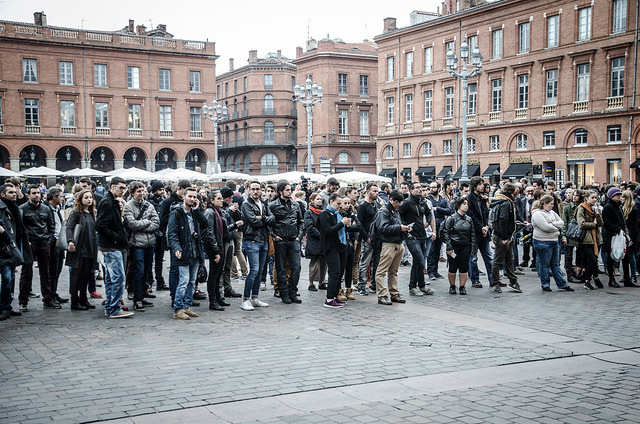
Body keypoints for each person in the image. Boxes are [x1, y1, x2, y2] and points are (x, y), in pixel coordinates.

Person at [96, 177, 134, 319]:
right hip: (111, 246)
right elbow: (100, 225)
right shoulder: (107, 202)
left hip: (112, 245)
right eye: (121, 188)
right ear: (112, 187)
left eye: (125, 188)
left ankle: (110, 307)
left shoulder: (113, 201)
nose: (123, 191)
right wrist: (116, 237)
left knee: (112, 279)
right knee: (118, 278)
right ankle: (114, 308)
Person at [167, 187, 205, 320]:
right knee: (183, 280)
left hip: (195, 251)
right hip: (183, 251)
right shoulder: (176, 212)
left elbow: (205, 224)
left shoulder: (195, 212)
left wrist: (198, 211)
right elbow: (172, 233)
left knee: (192, 281)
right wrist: (176, 247)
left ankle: (187, 306)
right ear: (183, 197)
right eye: (190, 196)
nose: (192, 199)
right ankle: (178, 309)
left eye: (195, 197)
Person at [18, 184, 57, 311]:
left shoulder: (46, 209)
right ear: (28, 195)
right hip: (31, 243)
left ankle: (48, 299)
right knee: (26, 272)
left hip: (44, 242)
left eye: (38, 193)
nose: (36, 195)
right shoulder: (22, 209)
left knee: (46, 272)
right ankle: (23, 301)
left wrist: (49, 240)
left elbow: (51, 226)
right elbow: (20, 228)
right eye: (34, 193)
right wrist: (26, 241)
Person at [124, 181, 159, 312]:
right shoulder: (128, 206)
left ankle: (142, 294)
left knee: (146, 271)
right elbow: (132, 224)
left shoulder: (149, 205)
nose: (141, 193)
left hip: (150, 243)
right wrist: (147, 222)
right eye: (138, 191)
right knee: (138, 270)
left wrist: (143, 225)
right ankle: (137, 299)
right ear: (132, 193)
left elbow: (156, 222)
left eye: (143, 190)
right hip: (137, 244)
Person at [240, 181, 274, 311]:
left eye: (258, 189)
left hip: (264, 240)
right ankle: (245, 299)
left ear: (261, 190)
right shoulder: (246, 204)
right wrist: (264, 220)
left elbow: (272, 219)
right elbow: (253, 222)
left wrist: (262, 218)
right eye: (253, 189)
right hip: (252, 240)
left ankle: (254, 298)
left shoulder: (264, 204)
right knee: (254, 270)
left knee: (260, 271)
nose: (255, 191)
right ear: (248, 190)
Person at [269, 180, 304, 304]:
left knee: (297, 267)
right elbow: (269, 223)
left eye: (291, 189)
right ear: (280, 191)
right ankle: (284, 293)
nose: (290, 192)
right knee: (281, 269)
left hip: (294, 239)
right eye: (288, 190)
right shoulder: (273, 205)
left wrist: (299, 236)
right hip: (281, 240)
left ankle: (292, 291)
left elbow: (301, 222)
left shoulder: (295, 205)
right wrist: (274, 235)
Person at [374, 190, 412, 305]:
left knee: (394, 271)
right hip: (388, 244)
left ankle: (394, 293)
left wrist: (405, 230)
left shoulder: (395, 211)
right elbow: (383, 228)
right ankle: (382, 295)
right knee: (381, 271)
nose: (399, 204)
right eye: (397, 202)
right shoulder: (384, 211)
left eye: (400, 202)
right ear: (391, 199)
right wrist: (400, 228)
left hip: (397, 243)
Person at [0, 184, 31, 320]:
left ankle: (7, 306)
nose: (14, 194)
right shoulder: (2, 208)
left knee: (11, 278)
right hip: (4, 248)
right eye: (10, 192)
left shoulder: (15, 207)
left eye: (14, 191)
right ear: (2, 194)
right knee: (6, 278)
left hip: (12, 248)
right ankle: (4, 307)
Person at [398, 182, 435, 296]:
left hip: (422, 235)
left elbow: (429, 213)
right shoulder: (407, 203)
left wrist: (428, 223)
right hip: (412, 236)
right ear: (411, 190)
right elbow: (398, 215)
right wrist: (405, 227)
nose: (420, 190)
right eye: (417, 188)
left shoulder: (423, 202)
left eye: (421, 187)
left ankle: (419, 286)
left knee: (418, 262)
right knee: (420, 260)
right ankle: (414, 286)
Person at [531, 195, 575, 292]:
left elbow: (561, 223)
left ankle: (562, 284)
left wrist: (552, 224)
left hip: (554, 241)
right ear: (545, 204)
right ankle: (545, 284)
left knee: (555, 264)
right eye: (551, 204)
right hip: (542, 241)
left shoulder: (551, 212)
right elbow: (546, 227)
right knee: (545, 264)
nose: (552, 205)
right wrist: (555, 226)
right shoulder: (537, 214)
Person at [66, 189, 98, 310]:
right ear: (80, 199)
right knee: (77, 274)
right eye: (86, 197)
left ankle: (84, 299)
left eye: (90, 197)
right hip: (79, 247)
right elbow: (69, 228)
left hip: (90, 247)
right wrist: (70, 242)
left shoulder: (91, 212)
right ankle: (75, 301)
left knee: (86, 274)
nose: (89, 200)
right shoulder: (76, 212)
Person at [319, 193, 351, 308]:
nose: (340, 206)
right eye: (338, 203)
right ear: (331, 201)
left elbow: (344, 229)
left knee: (340, 272)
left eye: (340, 203)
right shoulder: (324, 214)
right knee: (334, 273)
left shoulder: (338, 214)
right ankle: (329, 299)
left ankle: (335, 296)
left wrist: (347, 225)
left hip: (341, 246)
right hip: (330, 247)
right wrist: (341, 224)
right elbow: (328, 230)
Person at [489, 183, 522, 294]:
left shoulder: (500, 200)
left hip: (504, 234)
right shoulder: (507, 203)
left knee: (508, 259)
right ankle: (496, 283)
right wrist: (504, 237)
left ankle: (512, 281)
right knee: (500, 260)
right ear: (513, 192)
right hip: (503, 235)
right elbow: (503, 220)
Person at [441, 197, 476, 295]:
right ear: (458, 205)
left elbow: (472, 234)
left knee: (464, 267)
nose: (466, 206)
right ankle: (452, 286)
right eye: (464, 204)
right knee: (452, 267)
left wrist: (473, 248)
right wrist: (449, 247)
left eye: (467, 204)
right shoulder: (451, 218)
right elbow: (446, 233)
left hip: (466, 245)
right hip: (454, 246)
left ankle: (462, 286)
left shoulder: (469, 219)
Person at [601, 187, 633, 287]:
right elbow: (606, 222)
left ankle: (627, 279)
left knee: (626, 256)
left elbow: (623, 221)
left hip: (621, 235)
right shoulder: (608, 207)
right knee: (611, 258)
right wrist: (617, 229)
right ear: (611, 196)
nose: (620, 197)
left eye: (620, 195)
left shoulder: (618, 206)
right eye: (617, 195)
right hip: (612, 236)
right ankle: (611, 279)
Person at [466, 176, 492, 289]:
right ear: (474, 186)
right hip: (474, 233)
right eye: (480, 184)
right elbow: (471, 216)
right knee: (473, 258)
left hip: (483, 232)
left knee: (488, 257)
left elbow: (486, 214)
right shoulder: (469, 199)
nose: (482, 186)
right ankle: (475, 279)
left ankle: (493, 279)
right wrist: (481, 227)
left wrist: (486, 226)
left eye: (483, 184)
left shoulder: (482, 199)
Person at [576, 190, 604, 290]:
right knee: (592, 259)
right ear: (586, 198)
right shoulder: (582, 208)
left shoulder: (596, 209)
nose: (594, 200)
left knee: (592, 261)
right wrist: (594, 224)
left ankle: (588, 281)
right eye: (592, 197)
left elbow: (601, 223)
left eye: (596, 198)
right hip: (586, 239)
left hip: (596, 239)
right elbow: (582, 224)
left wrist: (597, 213)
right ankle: (595, 277)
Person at [357, 183, 381, 295]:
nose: (377, 193)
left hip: (377, 238)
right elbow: (359, 224)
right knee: (365, 261)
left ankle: (374, 284)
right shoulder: (362, 205)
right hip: (368, 238)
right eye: (374, 191)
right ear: (368, 192)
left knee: (376, 262)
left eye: (377, 191)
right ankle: (361, 285)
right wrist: (366, 237)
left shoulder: (376, 204)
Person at [426, 181, 453, 281]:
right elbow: (428, 211)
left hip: (441, 226)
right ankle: (430, 271)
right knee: (431, 250)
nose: (431, 189)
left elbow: (449, 210)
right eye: (430, 188)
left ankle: (435, 270)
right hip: (432, 226)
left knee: (438, 249)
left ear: (438, 188)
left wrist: (437, 209)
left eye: (433, 187)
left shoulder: (442, 199)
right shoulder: (428, 199)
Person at [46, 187, 68, 304]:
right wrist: (51, 240)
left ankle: (54, 293)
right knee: (52, 271)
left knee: (58, 270)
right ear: (54, 197)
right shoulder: (47, 209)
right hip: (53, 243)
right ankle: (50, 295)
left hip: (59, 243)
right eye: (60, 196)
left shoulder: (57, 208)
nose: (62, 198)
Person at [203, 191, 225, 311]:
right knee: (213, 275)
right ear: (212, 200)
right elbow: (209, 232)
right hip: (215, 248)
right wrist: (216, 250)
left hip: (219, 246)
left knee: (217, 274)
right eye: (219, 198)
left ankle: (217, 297)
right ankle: (213, 300)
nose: (221, 200)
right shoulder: (210, 212)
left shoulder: (218, 212)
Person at [147, 180, 168, 291]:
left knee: (159, 259)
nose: (162, 192)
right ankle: (149, 281)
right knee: (150, 259)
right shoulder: (148, 202)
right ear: (154, 190)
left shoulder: (163, 201)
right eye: (160, 190)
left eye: (163, 190)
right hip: (151, 233)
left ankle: (160, 280)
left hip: (161, 234)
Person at [304, 193, 326, 291]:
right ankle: (311, 283)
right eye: (317, 199)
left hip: (323, 240)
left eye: (320, 199)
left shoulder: (323, 212)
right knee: (314, 263)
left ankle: (321, 282)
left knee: (323, 262)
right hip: (313, 241)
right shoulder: (309, 212)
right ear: (312, 200)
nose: (319, 201)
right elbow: (310, 227)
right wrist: (321, 235)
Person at [562, 190, 584, 284]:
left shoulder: (583, 207)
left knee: (580, 255)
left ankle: (578, 273)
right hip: (570, 234)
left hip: (580, 235)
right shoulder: (568, 208)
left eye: (577, 195)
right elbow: (564, 222)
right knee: (568, 256)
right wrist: (563, 235)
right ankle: (570, 275)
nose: (574, 197)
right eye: (573, 195)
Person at [621, 190, 640, 287]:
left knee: (631, 255)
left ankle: (633, 275)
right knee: (624, 256)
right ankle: (626, 275)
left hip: (631, 235)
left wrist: (630, 238)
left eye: (623, 197)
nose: (621, 198)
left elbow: (633, 225)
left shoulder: (633, 209)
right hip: (624, 235)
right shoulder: (621, 208)